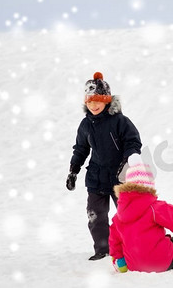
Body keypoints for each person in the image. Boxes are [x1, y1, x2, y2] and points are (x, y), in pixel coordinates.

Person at [66, 72, 142, 260]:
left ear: (106, 100)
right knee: (96, 216)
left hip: (119, 177)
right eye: (90, 102)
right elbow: (81, 149)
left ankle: (132, 246)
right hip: (96, 177)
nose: (94, 105)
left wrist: (131, 158)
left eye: (98, 100)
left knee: (127, 215)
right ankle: (102, 249)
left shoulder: (119, 121)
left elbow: (132, 141)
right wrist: (73, 170)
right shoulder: (85, 124)